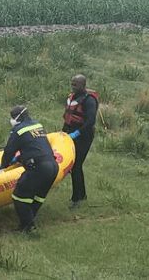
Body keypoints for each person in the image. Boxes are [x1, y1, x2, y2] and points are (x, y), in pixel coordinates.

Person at [0, 105, 58, 233]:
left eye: (12, 117)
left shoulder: (18, 130)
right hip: (53, 166)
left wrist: (4, 165)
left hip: (39, 168)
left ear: (19, 117)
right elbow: (36, 147)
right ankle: (30, 221)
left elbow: (9, 150)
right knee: (38, 196)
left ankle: (27, 227)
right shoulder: (38, 126)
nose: (12, 120)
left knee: (19, 196)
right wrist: (22, 158)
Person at [62, 74, 99, 208]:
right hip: (71, 133)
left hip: (84, 136)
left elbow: (90, 121)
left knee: (76, 166)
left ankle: (76, 199)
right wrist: (64, 133)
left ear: (83, 86)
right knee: (75, 167)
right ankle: (82, 195)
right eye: (72, 84)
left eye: (75, 85)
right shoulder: (72, 98)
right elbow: (69, 117)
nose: (73, 87)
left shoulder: (89, 100)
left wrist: (77, 133)